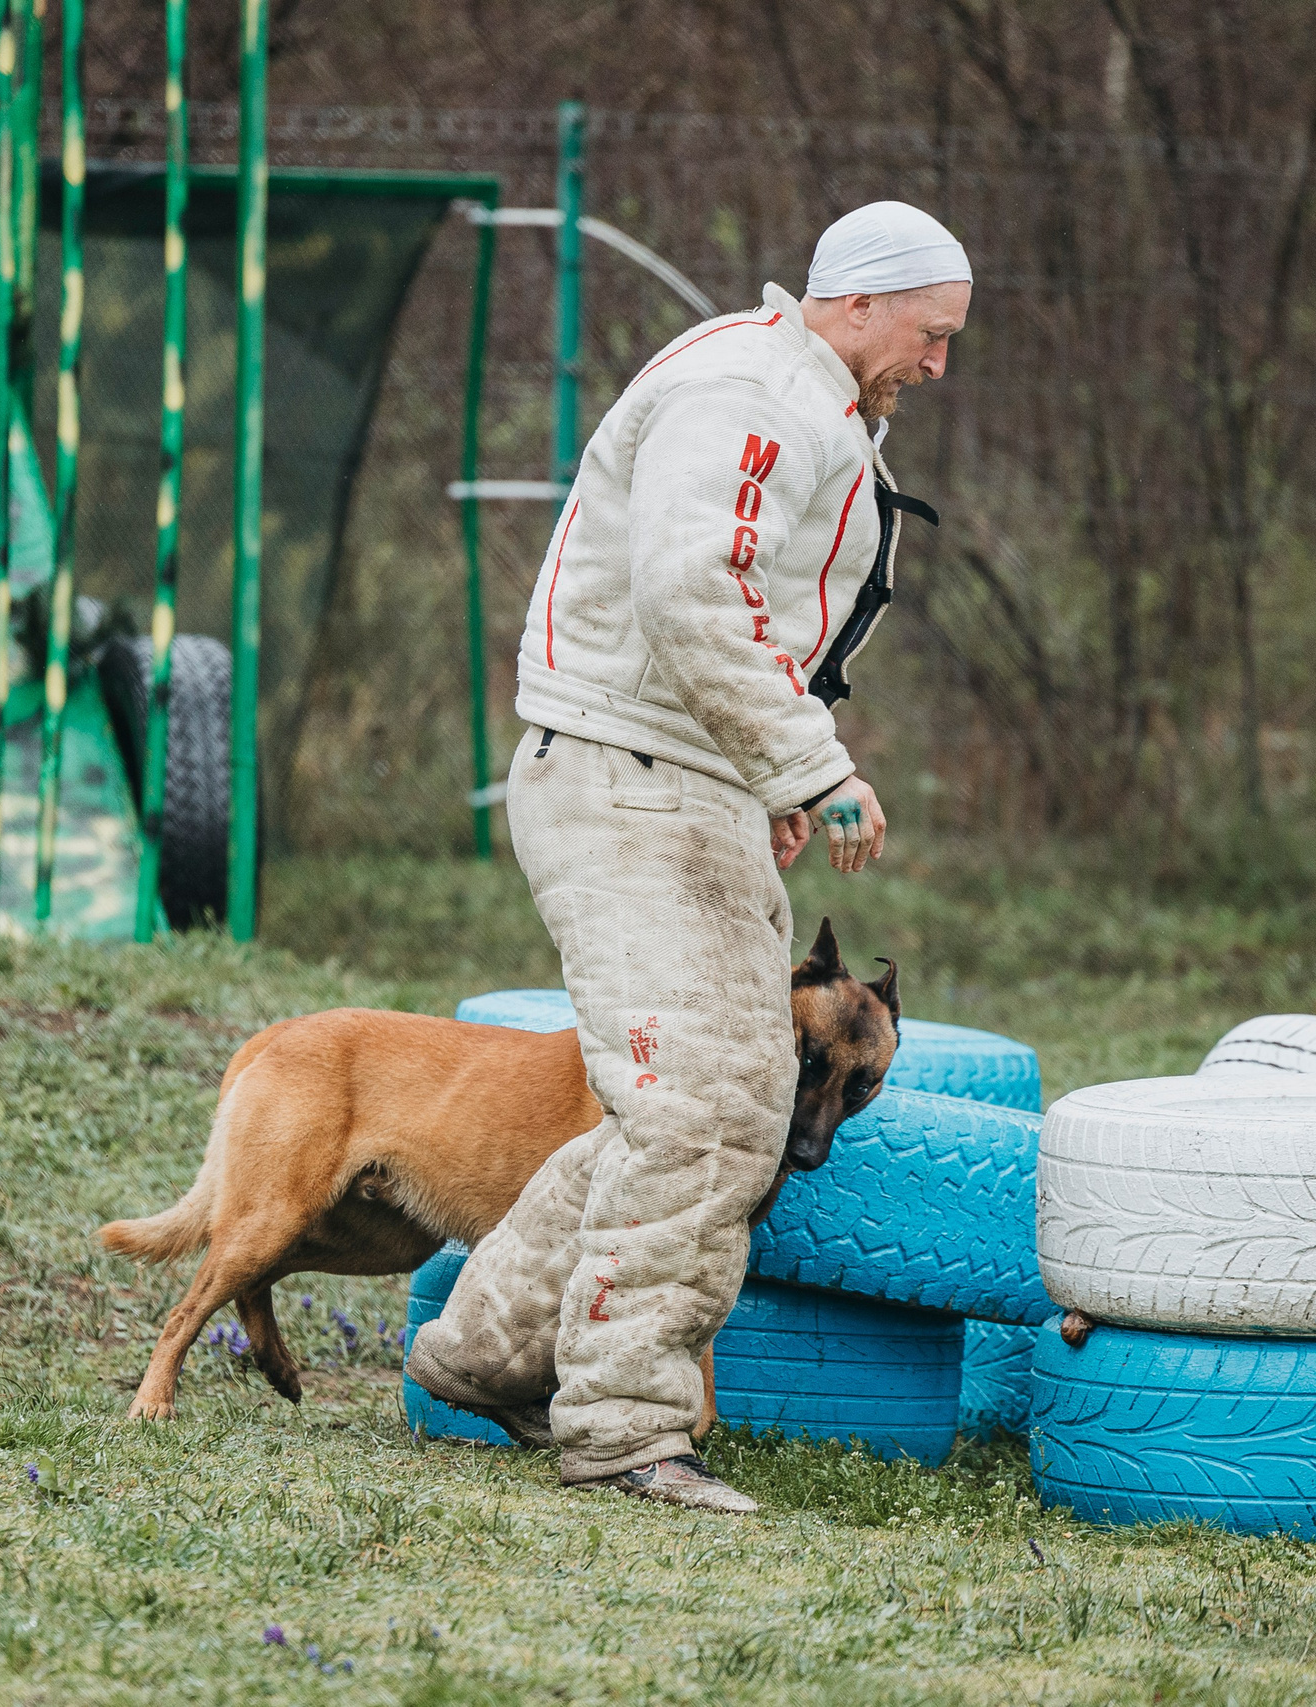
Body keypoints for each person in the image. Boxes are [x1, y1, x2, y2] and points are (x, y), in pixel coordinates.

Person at [405, 202, 972, 1513]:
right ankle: (624, 1430)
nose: (940, 364)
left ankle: (484, 1357)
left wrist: (762, 769)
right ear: (860, 303)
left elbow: (755, 606)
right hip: (628, 782)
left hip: (674, 776)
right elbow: (693, 585)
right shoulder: (752, 394)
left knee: (705, 1104)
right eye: (932, 334)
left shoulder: (801, 395)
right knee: (708, 1111)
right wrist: (809, 761)